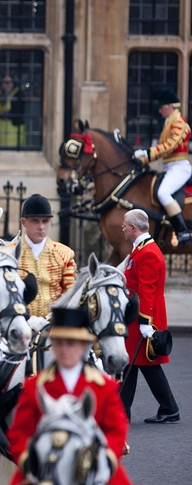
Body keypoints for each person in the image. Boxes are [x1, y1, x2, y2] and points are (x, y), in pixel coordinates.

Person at [6, 307, 132, 485]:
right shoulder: (35, 386)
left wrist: (103, 461)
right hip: (44, 468)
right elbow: (20, 432)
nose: (64, 349)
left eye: (70, 343)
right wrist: (31, 462)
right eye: (59, 343)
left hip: (92, 465)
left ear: (82, 346)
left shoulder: (104, 387)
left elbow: (116, 430)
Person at [119, 209, 179, 423]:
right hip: (137, 319)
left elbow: (147, 291)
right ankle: (169, 409)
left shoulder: (148, 253)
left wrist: (146, 323)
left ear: (133, 228)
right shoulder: (141, 250)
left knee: (132, 363)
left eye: (125, 225)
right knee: (141, 365)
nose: (123, 228)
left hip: (142, 320)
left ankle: (121, 413)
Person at [134, 89, 192, 244]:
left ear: (169, 106)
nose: (159, 110)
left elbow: (169, 146)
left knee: (163, 193)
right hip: (169, 167)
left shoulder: (179, 122)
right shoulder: (169, 122)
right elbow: (161, 150)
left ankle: (183, 231)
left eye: (161, 107)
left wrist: (147, 153)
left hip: (180, 167)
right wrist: (143, 161)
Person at [19, 194, 77, 317]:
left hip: (52, 326)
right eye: (35, 221)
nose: (41, 227)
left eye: (45, 221)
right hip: (17, 324)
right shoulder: (9, 253)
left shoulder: (64, 254)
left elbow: (72, 294)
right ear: (24, 222)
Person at [0, 75, 26, 147]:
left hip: (14, 133)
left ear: (13, 83)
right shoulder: (0, 95)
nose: (7, 85)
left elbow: (16, 112)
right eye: (5, 82)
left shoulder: (18, 94)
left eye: (9, 82)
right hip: (0, 133)